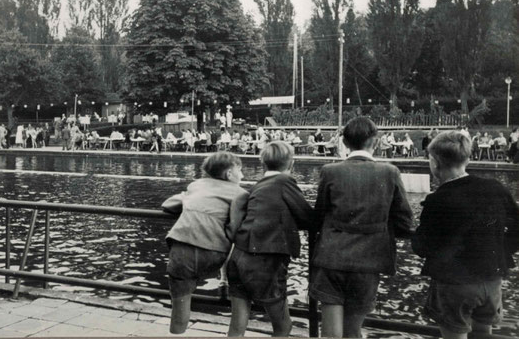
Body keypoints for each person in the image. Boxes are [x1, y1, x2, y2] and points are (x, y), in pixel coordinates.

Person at [310, 117, 413, 338]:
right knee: (353, 328)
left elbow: (318, 214)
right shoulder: (390, 172)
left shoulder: (330, 171)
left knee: (330, 330)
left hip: (332, 256)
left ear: (345, 143)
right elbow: (404, 219)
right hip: (369, 258)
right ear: (374, 142)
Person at [412, 131, 519, 339]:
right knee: (482, 334)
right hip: (491, 278)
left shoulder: (437, 200)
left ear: (434, 163)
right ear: (468, 159)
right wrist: (500, 249)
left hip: (455, 283)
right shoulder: (495, 188)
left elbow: (422, 247)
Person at [227, 141, 315, 337]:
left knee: (238, 322)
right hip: (266, 260)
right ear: (291, 164)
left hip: (238, 255)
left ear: (263, 165)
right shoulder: (285, 182)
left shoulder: (257, 186)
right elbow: (308, 217)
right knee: (283, 327)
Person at [161, 152, 247, 334]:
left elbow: (167, 205)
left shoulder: (196, 185)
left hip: (181, 247)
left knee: (180, 307)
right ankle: (224, 283)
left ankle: (177, 333)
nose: (243, 175)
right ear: (230, 173)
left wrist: (187, 200)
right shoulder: (241, 193)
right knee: (240, 293)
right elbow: (234, 229)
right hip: (214, 251)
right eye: (240, 171)